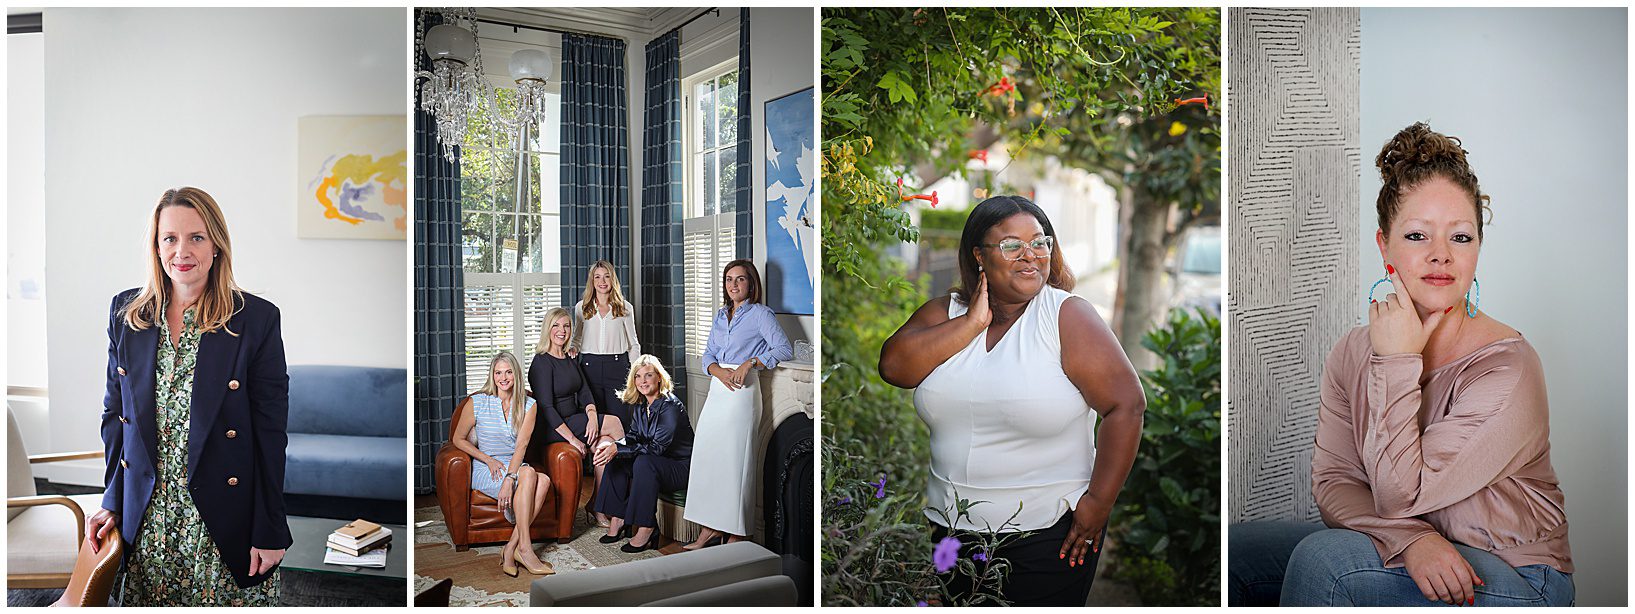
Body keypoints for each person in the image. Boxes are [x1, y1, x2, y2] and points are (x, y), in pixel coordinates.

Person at [1228, 123, 1573, 607]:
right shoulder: (1352, 351)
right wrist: (1411, 540)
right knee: (1236, 555)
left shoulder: (1508, 369)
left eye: (1461, 236)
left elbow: (1398, 498)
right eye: (1416, 235)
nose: (1440, 256)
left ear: (1478, 248)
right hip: (1421, 549)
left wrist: (1398, 360)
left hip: (1519, 576)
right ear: (1384, 246)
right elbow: (1335, 483)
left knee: (1325, 560)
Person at [877, 195, 1146, 606]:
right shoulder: (944, 314)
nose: (1030, 256)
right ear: (979, 256)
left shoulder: (1066, 316)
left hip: (1050, 531)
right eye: (1011, 245)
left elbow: (1126, 405)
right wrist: (971, 324)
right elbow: (894, 369)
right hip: (950, 529)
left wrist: (1098, 503)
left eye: (1040, 243)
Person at [84, 187, 292, 605]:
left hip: (220, 515)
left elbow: (271, 434)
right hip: (150, 517)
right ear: (156, 245)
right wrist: (113, 498)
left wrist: (269, 527)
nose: (183, 250)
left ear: (216, 244)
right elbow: (115, 416)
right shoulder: (127, 315)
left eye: (197, 237)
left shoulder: (255, 320)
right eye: (170, 238)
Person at [683, 259, 793, 550]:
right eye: (729, 279)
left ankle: (737, 534)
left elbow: (784, 348)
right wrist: (718, 372)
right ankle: (708, 530)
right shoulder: (720, 316)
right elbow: (708, 354)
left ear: (751, 284)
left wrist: (751, 362)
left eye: (740, 279)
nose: (733, 285)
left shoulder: (760, 314)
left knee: (735, 464)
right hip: (717, 392)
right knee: (709, 460)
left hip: (743, 394)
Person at [451, 352, 554, 576]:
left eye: (508, 372)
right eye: (498, 372)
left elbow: (521, 446)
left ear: (515, 375)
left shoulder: (529, 404)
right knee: (532, 475)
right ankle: (523, 549)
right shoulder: (477, 402)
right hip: (486, 466)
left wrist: (510, 478)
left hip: (514, 463)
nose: (503, 377)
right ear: (492, 375)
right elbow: (457, 439)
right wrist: (487, 459)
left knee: (541, 479)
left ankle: (511, 548)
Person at [588, 355, 693, 553]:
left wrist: (618, 448)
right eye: (638, 376)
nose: (643, 381)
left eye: (648, 375)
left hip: (679, 468)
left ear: (659, 378)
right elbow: (634, 437)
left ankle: (647, 527)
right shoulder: (640, 405)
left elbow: (656, 449)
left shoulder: (671, 406)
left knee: (643, 463)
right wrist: (614, 446)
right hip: (655, 461)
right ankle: (618, 518)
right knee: (616, 457)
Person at [570, 260, 641, 526]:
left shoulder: (625, 308)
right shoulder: (582, 309)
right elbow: (576, 340)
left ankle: (610, 502)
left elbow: (634, 344)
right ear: (592, 281)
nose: (602, 281)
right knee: (596, 434)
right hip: (588, 371)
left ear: (612, 280)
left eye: (606, 276)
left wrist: (635, 375)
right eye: (597, 277)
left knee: (619, 434)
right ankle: (601, 503)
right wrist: (573, 350)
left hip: (618, 370)